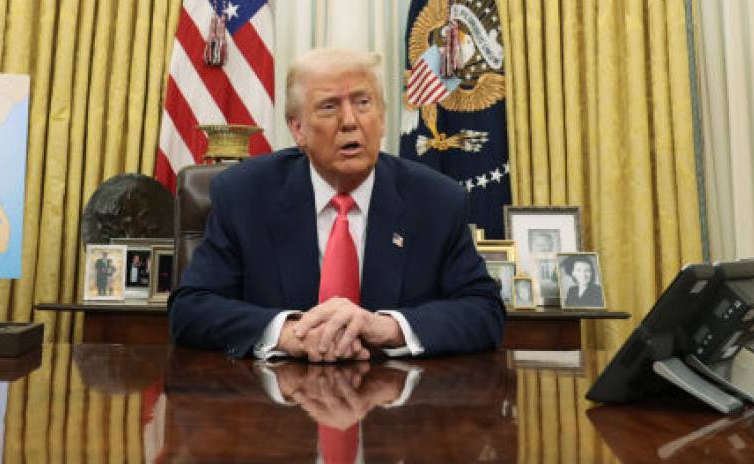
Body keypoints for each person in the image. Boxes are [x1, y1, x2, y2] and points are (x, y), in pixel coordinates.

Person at [169, 48, 505, 360]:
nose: (349, 121)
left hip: (397, 408)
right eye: (329, 106)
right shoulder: (245, 195)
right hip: (276, 407)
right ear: (297, 129)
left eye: (363, 103)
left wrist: (387, 328)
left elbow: (484, 310)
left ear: (383, 119)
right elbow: (190, 309)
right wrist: (287, 333)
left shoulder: (436, 200)